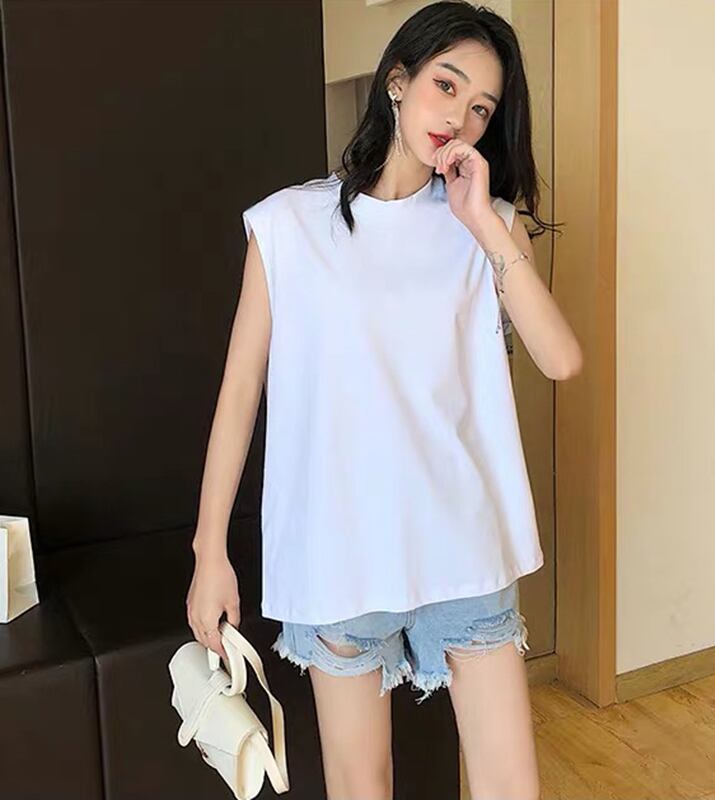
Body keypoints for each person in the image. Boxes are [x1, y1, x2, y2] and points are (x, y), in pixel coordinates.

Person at [186, 2, 582, 798]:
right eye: (447, 85)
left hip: (464, 546)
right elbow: (239, 396)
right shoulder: (288, 226)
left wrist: (483, 222)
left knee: (511, 785)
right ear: (397, 81)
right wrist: (209, 553)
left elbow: (561, 359)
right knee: (360, 784)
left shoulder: (487, 225)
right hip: (339, 551)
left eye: (482, 108)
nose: (460, 118)